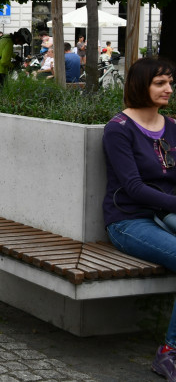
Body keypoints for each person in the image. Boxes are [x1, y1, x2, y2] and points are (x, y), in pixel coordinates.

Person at [102, 57, 176, 382]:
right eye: (160, 83)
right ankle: (169, 354)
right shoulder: (118, 129)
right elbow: (133, 188)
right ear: (140, 85)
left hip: (169, 215)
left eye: (170, 82)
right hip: (129, 221)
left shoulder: (173, 127)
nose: (168, 89)